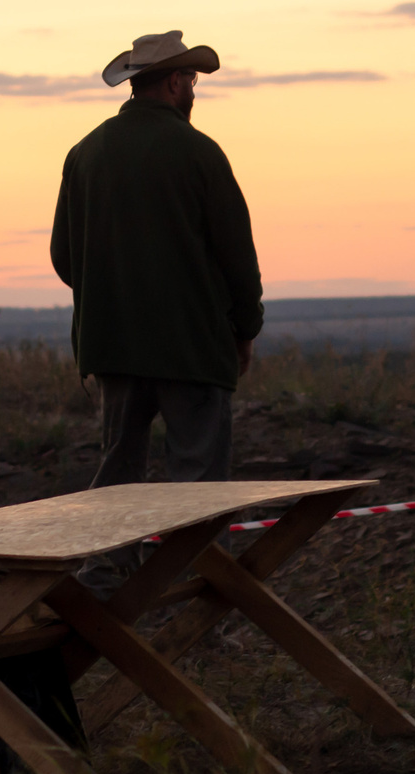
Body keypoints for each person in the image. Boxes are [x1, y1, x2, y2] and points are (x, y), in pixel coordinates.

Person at [49, 30, 263, 489]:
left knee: (117, 484)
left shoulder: (84, 154)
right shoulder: (200, 152)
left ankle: (108, 564)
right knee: (198, 488)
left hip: (113, 347)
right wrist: (245, 331)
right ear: (173, 84)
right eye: (191, 81)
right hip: (193, 349)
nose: (191, 91)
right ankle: (199, 562)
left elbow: (64, 259)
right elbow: (238, 260)